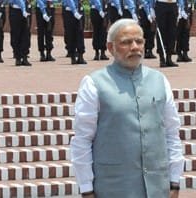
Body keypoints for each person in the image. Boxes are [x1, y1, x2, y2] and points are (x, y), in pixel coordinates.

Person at [70, 19, 185, 198]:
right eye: (125, 42)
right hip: (113, 187)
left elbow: (171, 133)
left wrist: (174, 180)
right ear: (110, 47)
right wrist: (87, 189)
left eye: (139, 41)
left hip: (157, 188)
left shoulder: (159, 81)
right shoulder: (94, 84)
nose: (134, 47)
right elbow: (82, 140)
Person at [156, 0, 186, 67]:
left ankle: (169, 58)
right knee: (161, 32)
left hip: (173, 4)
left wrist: (181, 7)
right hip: (161, 3)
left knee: (172, 33)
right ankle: (162, 58)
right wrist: (151, 8)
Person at [62, 0, 87, 65]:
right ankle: (73, 57)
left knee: (80, 34)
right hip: (70, 12)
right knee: (71, 34)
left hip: (80, 10)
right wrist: (75, 11)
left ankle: (80, 57)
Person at [9, 0, 32, 66]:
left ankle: (25, 57)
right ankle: (18, 58)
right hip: (16, 11)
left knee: (26, 35)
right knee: (16, 35)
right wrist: (23, 9)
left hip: (27, 10)